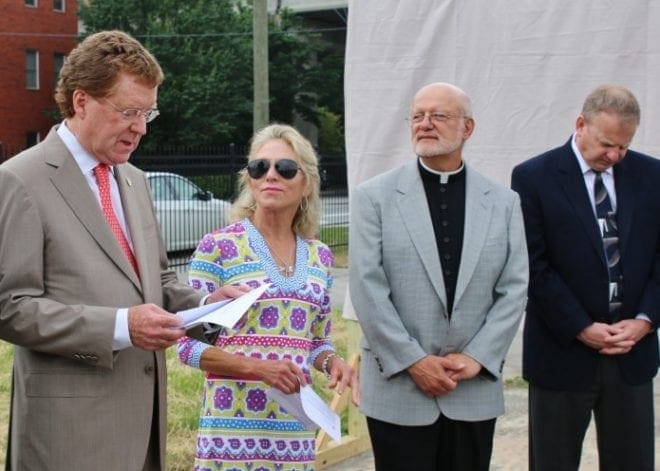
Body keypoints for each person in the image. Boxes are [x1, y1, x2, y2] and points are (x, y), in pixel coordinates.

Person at [0, 30, 240, 470]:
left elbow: (156, 280)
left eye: (148, 113)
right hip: (67, 435)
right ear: (81, 101)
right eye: (128, 111)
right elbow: (10, 307)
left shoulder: (133, 179)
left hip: (143, 428)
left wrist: (206, 305)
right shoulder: (21, 180)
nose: (140, 127)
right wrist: (119, 327)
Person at [348, 82, 529, 470]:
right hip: (399, 389)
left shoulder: (503, 202)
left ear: (468, 128)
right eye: (417, 116)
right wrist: (414, 360)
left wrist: (478, 357)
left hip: (470, 388)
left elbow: (514, 288)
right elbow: (366, 287)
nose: (425, 124)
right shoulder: (374, 197)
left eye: (439, 115)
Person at [177, 123, 360, 471]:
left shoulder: (319, 256)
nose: (270, 176)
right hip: (231, 434)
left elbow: (316, 342)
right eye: (260, 167)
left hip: (294, 437)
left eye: (285, 168)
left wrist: (331, 363)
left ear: (306, 183)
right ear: (249, 179)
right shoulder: (218, 247)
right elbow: (187, 346)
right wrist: (258, 368)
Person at [511, 84, 659, 470]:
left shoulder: (652, 175)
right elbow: (532, 265)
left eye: (624, 147)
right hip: (562, 354)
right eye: (607, 144)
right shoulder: (533, 177)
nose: (614, 156)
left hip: (632, 355)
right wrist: (580, 326)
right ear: (580, 124)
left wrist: (645, 321)